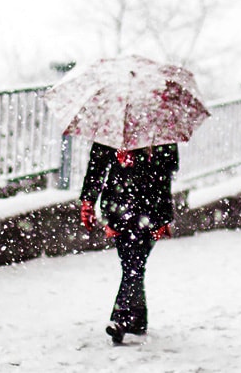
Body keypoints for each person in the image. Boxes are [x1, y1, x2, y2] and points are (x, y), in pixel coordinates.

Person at [79, 141, 179, 345]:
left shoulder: (159, 132)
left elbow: (167, 169)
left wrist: (164, 216)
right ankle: (137, 318)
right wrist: (88, 201)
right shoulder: (113, 133)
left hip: (150, 208)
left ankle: (121, 319)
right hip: (119, 207)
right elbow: (97, 165)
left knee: (133, 264)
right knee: (132, 264)